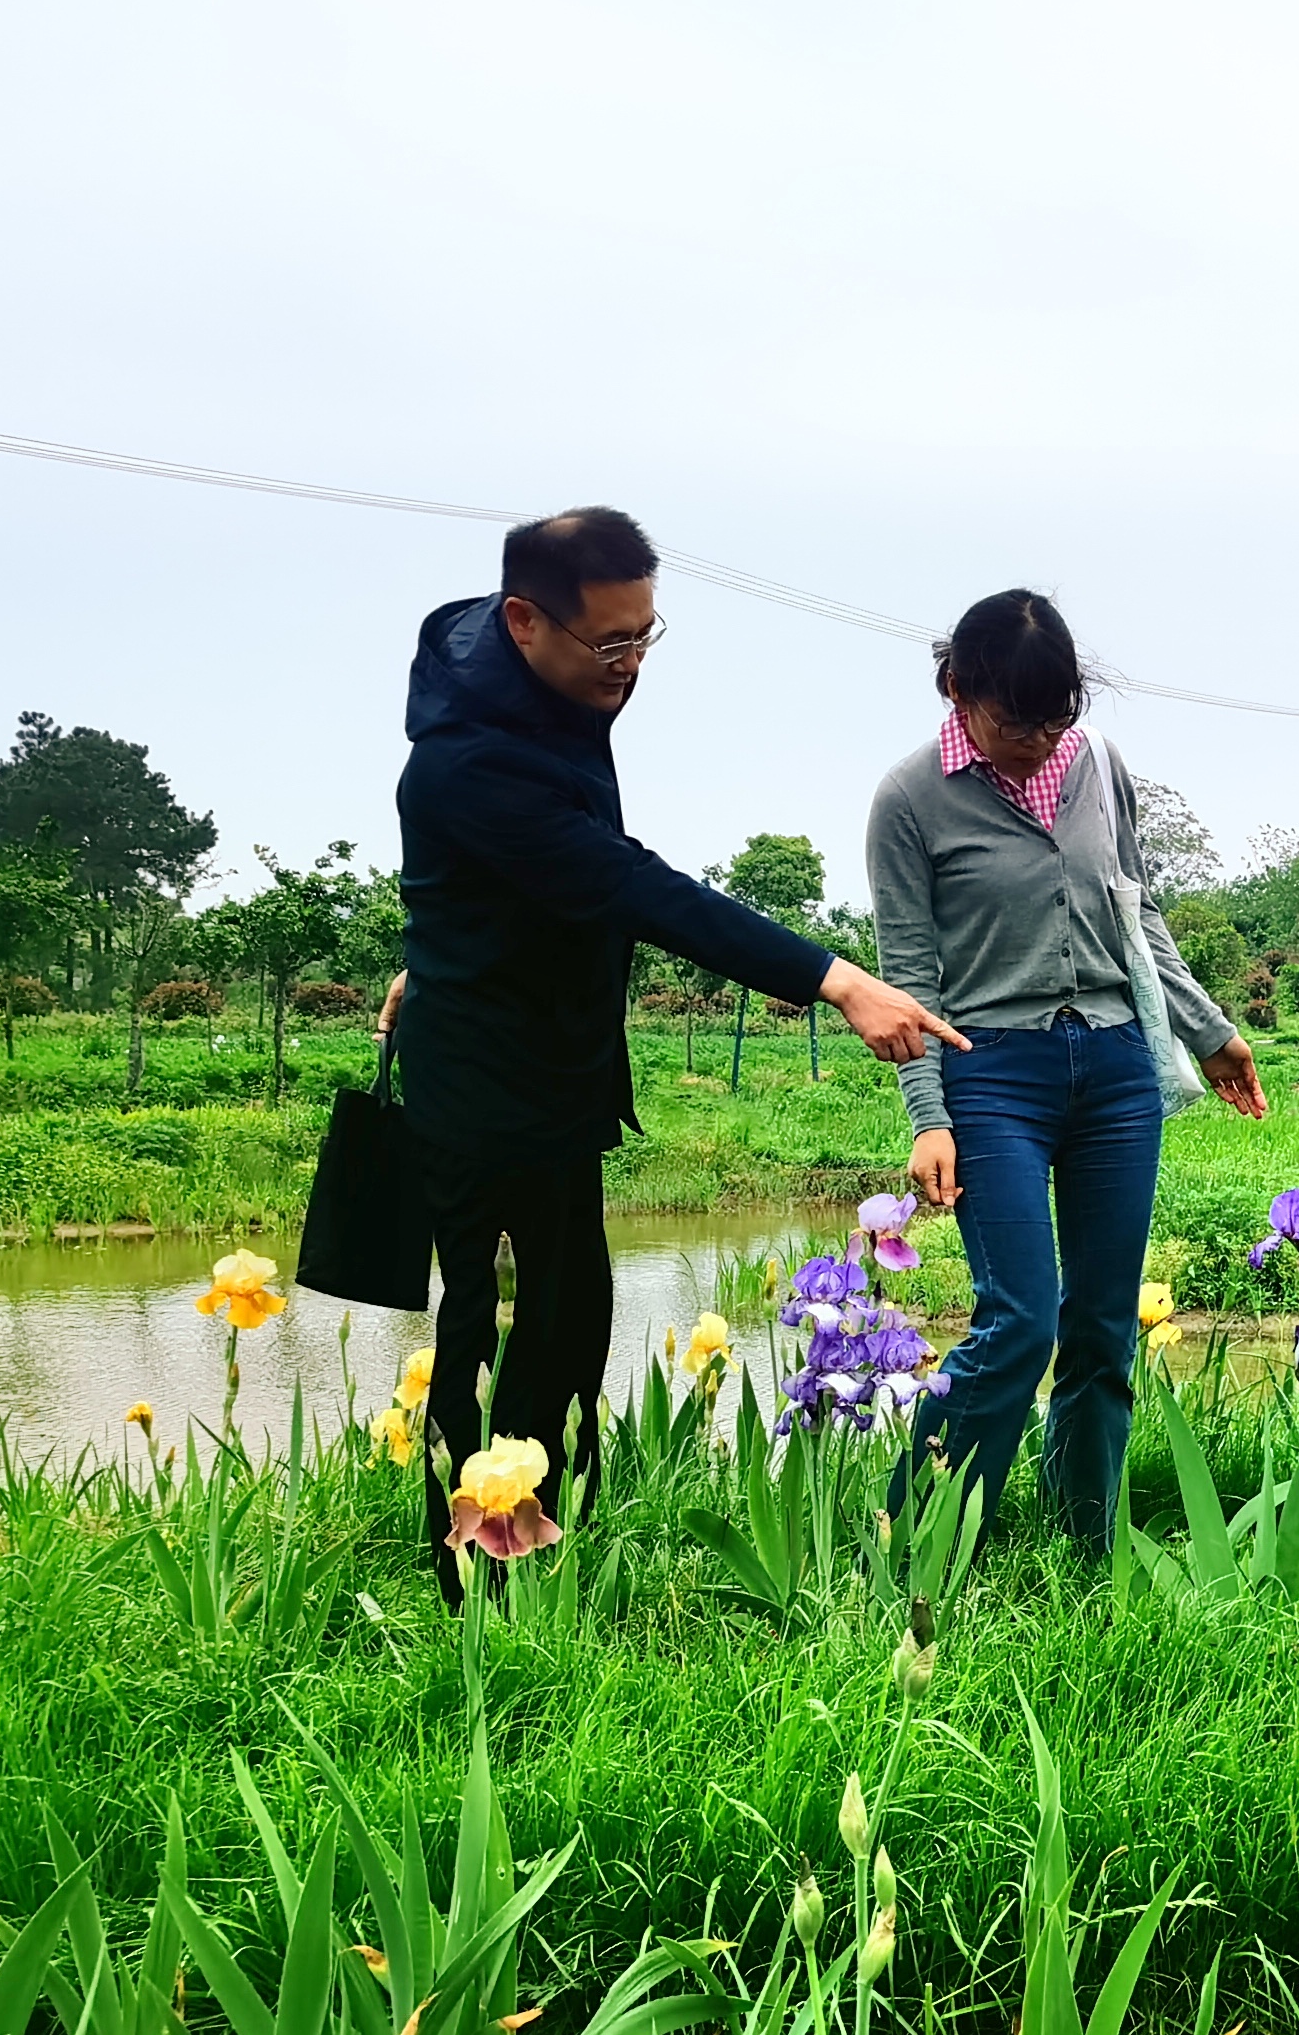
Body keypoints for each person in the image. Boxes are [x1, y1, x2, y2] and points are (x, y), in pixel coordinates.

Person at [383, 506, 959, 1581]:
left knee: (571, 1319)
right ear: (522, 622)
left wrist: (440, 938)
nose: (633, 664)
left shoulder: (534, 688)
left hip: (556, 1066)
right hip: (479, 1079)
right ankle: (472, 1571)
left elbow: (539, 873)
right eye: (611, 643)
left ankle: (552, 1538)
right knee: (477, 1325)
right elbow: (622, 880)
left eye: (647, 636)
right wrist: (835, 980)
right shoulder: (467, 759)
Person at [871, 588, 1267, 1551]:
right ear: (959, 689)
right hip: (990, 1073)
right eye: (1017, 721)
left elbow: (1139, 917)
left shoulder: (1099, 767)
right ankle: (918, 1535)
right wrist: (929, 1116)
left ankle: (1082, 1547)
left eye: (1060, 720)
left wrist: (1210, 1030)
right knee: (1019, 1321)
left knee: (1101, 1326)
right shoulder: (910, 799)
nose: (1042, 743)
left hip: (1118, 1068)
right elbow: (909, 977)